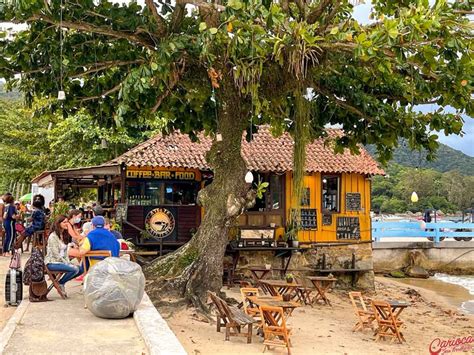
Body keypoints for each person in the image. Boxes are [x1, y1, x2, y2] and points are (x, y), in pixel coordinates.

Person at [44, 215, 80, 296]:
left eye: (67, 222)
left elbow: (65, 252)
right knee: (74, 269)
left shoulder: (63, 235)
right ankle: (61, 283)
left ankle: (61, 283)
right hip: (52, 263)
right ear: (58, 224)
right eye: (64, 222)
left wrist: (67, 262)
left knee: (81, 269)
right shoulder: (53, 236)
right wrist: (67, 263)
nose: (67, 224)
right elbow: (56, 254)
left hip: (61, 262)